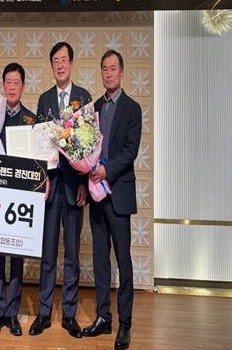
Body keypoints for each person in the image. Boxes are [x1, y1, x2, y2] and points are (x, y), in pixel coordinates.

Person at [29, 42, 91, 339]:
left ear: (71, 63)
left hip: (74, 188)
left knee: (72, 255)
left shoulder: (84, 97)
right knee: (48, 253)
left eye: (64, 60)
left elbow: (89, 143)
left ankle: (69, 314)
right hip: (52, 189)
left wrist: (84, 183)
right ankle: (44, 312)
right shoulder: (44, 100)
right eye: (55, 61)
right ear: (52, 66)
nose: (60, 65)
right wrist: (42, 180)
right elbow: (40, 146)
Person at [82, 50, 142, 350]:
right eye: (104, 69)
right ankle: (103, 317)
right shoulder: (93, 108)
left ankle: (125, 324)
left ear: (121, 72)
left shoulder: (132, 108)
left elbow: (131, 150)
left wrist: (107, 169)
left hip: (118, 193)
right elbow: (84, 149)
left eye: (113, 68)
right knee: (100, 261)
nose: (108, 73)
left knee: (123, 261)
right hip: (96, 194)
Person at [0, 62, 36, 337]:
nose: (12, 87)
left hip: (21, 199)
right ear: (3, 86)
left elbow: (40, 161)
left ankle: (13, 312)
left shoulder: (31, 119)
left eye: (17, 82)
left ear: (23, 86)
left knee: (18, 254)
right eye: (8, 82)